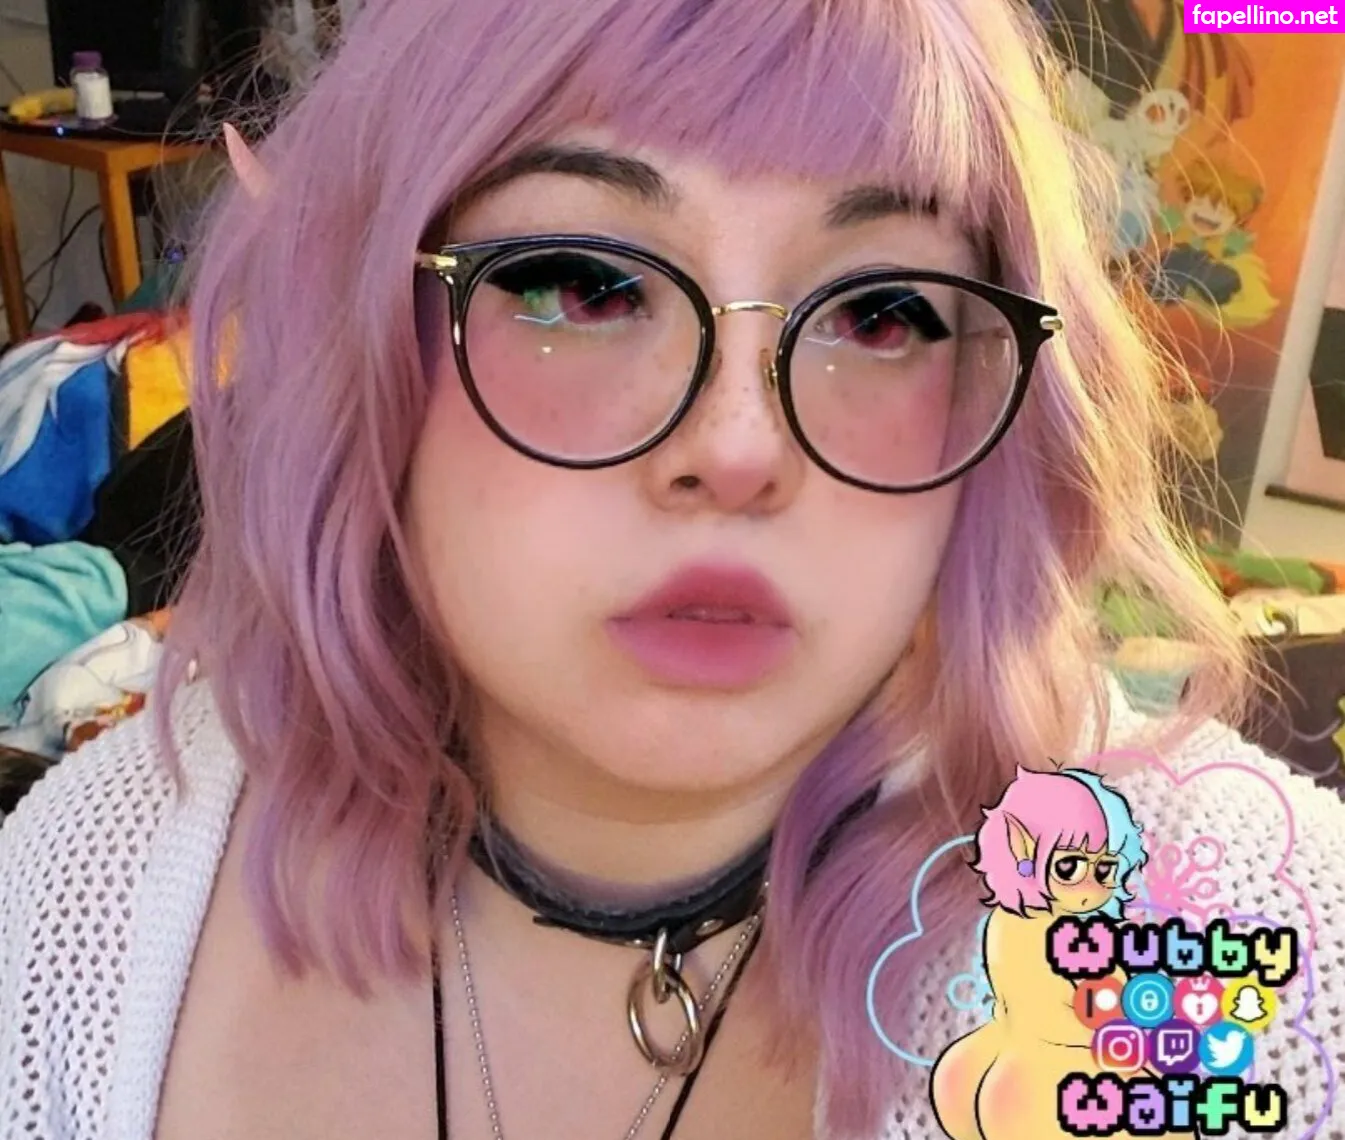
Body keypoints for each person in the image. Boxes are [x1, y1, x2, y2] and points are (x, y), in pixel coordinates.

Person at [1, 1, 1341, 1138]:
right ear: (368, 341)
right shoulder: (87, 891)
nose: (739, 448)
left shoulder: (1222, 943)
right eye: (584, 284)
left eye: (883, 312)